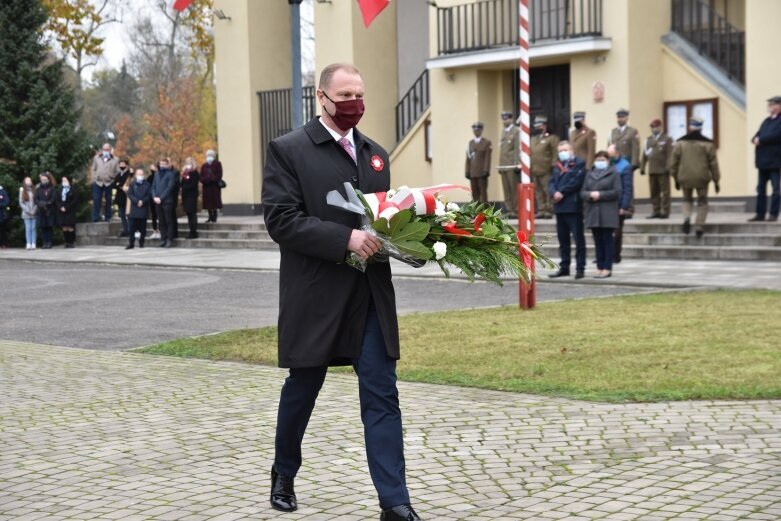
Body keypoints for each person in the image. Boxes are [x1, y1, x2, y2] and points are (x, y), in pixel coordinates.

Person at [262, 63, 421, 521]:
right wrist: (343, 239)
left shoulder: (375, 154)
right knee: (303, 386)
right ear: (322, 97)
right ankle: (284, 471)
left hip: (368, 294)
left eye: (360, 93)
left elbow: (383, 218)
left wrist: (415, 239)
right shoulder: (288, 149)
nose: (355, 103)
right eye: (346, 94)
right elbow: (281, 220)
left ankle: (395, 502)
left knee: (381, 393)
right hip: (317, 295)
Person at [670, 117, 721, 238]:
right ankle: (699, 226)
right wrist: (716, 180)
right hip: (702, 178)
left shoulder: (680, 143)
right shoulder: (708, 144)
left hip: (685, 177)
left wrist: (675, 178)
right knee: (703, 202)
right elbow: (713, 164)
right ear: (701, 127)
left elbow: (673, 163)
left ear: (690, 127)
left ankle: (687, 218)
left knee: (687, 199)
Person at [548, 141, 587, 279]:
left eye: (564, 150)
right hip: (560, 208)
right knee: (563, 241)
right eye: (560, 150)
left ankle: (580, 268)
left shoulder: (579, 163)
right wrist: (554, 192)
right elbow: (551, 181)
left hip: (573, 206)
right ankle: (564, 267)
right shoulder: (558, 165)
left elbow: (576, 181)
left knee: (578, 240)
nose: (562, 153)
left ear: (571, 150)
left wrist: (561, 192)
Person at [582, 151, 622, 278]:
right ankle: (599, 266)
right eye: (598, 159)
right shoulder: (590, 174)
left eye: (602, 159)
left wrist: (600, 194)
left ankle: (607, 267)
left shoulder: (614, 173)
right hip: (593, 212)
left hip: (607, 212)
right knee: (597, 241)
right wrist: (589, 195)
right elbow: (583, 192)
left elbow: (617, 192)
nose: (600, 162)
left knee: (607, 240)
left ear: (607, 161)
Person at [748, 95, 781, 222]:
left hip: (774, 160)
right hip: (762, 161)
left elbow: (777, 136)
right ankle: (760, 214)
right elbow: (757, 135)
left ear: (779, 106)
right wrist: (755, 139)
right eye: (770, 104)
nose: (770, 106)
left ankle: (773, 214)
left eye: (773, 104)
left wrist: (761, 140)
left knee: (775, 190)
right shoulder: (766, 121)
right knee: (760, 189)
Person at [640, 119, 673, 218]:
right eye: (653, 127)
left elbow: (670, 155)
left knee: (665, 192)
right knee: (654, 192)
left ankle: (665, 211)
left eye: (656, 127)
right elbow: (644, 155)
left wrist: (668, 167)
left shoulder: (667, 139)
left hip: (663, 170)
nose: (654, 129)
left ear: (660, 127)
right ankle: (656, 210)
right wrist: (642, 167)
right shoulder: (648, 140)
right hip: (652, 170)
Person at [607, 144, 633, 264]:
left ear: (617, 153)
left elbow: (628, 188)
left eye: (611, 155)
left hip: (619, 203)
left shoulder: (625, 166)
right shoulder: (607, 164)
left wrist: (624, 206)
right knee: (606, 232)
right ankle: (607, 255)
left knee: (617, 232)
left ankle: (615, 255)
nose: (609, 157)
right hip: (607, 203)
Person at [530, 115, 559, 219]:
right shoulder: (533, 138)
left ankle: (549, 209)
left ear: (545, 125)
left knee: (547, 190)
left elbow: (555, 152)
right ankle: (541, 209)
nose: (538, 128)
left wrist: (554, 164)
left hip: (546, 168)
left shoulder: (552, 138)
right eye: (536, 126)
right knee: (538, 191)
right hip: (534, 168)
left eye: (540, 126)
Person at [497, 111, 520, 216]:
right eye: (503, 119)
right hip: (503, 165)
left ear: (511, 119)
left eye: (507, 119)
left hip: (511, 165)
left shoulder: (516, 131)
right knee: (506, 189)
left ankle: (516, 209)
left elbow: (517, 149)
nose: (505, 121)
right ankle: (509, 209)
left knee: (513, 189)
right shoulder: (503, 131)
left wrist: (517, 163)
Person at [152, 157, 177, 247]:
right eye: (161, 164)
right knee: (161, 221)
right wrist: (154, 197)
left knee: (168, 221)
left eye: (164, 164)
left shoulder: (171, 174)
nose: (162, 165)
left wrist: (161, 198)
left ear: (167, 165)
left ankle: (169, 239)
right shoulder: (156, 174)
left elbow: (169, 188)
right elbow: (153, 187)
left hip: (167, 201)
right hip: (157, 201)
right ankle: (163, 238)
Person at [91, 143, 119, 222]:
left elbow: (117, 171)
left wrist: (112, 177)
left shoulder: (115, 159)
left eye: (107, 150)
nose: (105, 151)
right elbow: (93, 168)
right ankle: (95, 217)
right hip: (98, 182)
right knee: (97, 199)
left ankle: (108, 217)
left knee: (108, 200)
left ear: (110, 150)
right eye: (104, 149)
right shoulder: (97, 158)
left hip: (108, 182)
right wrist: (94, 177)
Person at [465, 121, 492, 204]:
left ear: (481, 130)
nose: (476, 131)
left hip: (482, 173)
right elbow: (468, 158)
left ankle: (485, 212)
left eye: (478, 129)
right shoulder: (470, 143)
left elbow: (488, 158)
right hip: (473, 173)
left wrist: (486, 171)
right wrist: (467, 171)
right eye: (475, 129)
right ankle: (476, 211)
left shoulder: (486, 143)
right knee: (474, 194)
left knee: (483, 193)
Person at [126, 169, 151, 249]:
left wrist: (142, 201)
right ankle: (131, 243)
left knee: (142, 228)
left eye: (142, 174)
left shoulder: (147, 184)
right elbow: (130, 194)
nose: (140, 176)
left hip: (143, 208)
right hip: (134, 208)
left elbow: (149, 195)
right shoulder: (132, 184)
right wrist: (136, 201)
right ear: (136, 175)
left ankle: (141, 242)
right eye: (138, 174)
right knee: (132, 227)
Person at [55, 176, 79, 248]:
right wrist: (60, 207)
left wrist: (66, 207)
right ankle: (67, 242)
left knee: (70, 226)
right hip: (62, 211)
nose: (64, 182)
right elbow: (57, 200)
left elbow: (74, 201)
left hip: (70, 211)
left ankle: (71, 242)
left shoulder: (73, 190)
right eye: (63, 181)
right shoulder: (60, 190)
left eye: (65, 180)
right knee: (64, 227)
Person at [200, 149, 223, 223]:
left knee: (214, 202)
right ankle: (210, 216)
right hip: (206, 187)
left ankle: (215, 216)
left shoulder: (218, 164)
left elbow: (219, 175)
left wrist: (212, 178)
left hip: (214, 187)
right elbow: (201, 176)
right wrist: (205, 179)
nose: (209, 157)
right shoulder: (204, 166)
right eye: (208, 155)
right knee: (208, 203)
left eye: (211, 155)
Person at [35, 172, 57, 249]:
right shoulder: (38, 189)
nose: (43, 180)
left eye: (45, 179)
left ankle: (49, 242)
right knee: (43, 227)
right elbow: (36, 199)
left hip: (49, 210)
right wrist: (41, 204)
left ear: (48, 179)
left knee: (49, 227)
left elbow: (53, 199)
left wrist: (47, 204)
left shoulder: (52, 188)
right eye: (42, 179)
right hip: (41, 211)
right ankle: (44, 242)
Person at [180, 157, 200, 239]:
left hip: (192, 196)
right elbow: (182, 183)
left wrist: (184, 187)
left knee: (192, 213)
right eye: (187, 163)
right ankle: (191, 231)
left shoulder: (195, 173)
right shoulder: (185, 173)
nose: (188, 165)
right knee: (188, 214)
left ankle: (193, 232)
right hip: (185, 196)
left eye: (189, 163)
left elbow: (193, 185)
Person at [113, 159, 132, 237]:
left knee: (128, 214)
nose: (122, 166)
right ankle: (125, 230)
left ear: (126, 165)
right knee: (122, 215)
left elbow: (125, 184)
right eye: (120, 164)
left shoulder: (129, 174)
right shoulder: (118, 174)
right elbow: (114, 184)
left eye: (123, 164)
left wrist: (119, 185)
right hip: (120, 197)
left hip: (126, 197)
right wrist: (119, 185)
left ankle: (130, 230)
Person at [19, 177, 37, 250]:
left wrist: (34, 210)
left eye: (29, 180)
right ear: (24, 182)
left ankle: (33, 243)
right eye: (27, 180)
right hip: (26, 213)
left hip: (34, 212)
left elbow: (37, 201)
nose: (28, 181)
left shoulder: (34, 190)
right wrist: (28, 211)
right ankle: (28, 243)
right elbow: (21, 202)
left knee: (33, 228)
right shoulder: (22, 190)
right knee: (28, 228)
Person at [147, 163, 160, 239]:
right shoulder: (149, 177)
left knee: (159, 215)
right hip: (151, 198)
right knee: (153, 215)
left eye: (153, 168)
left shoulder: (158, 176)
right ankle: (155, 230)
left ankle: (160, 230)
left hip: (158, 197)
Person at [0, 183, 8, 249]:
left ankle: (3, 244)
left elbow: (6, 201)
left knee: (2, 230)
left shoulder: (3, 192)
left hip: (1, 214)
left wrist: (1, 205)